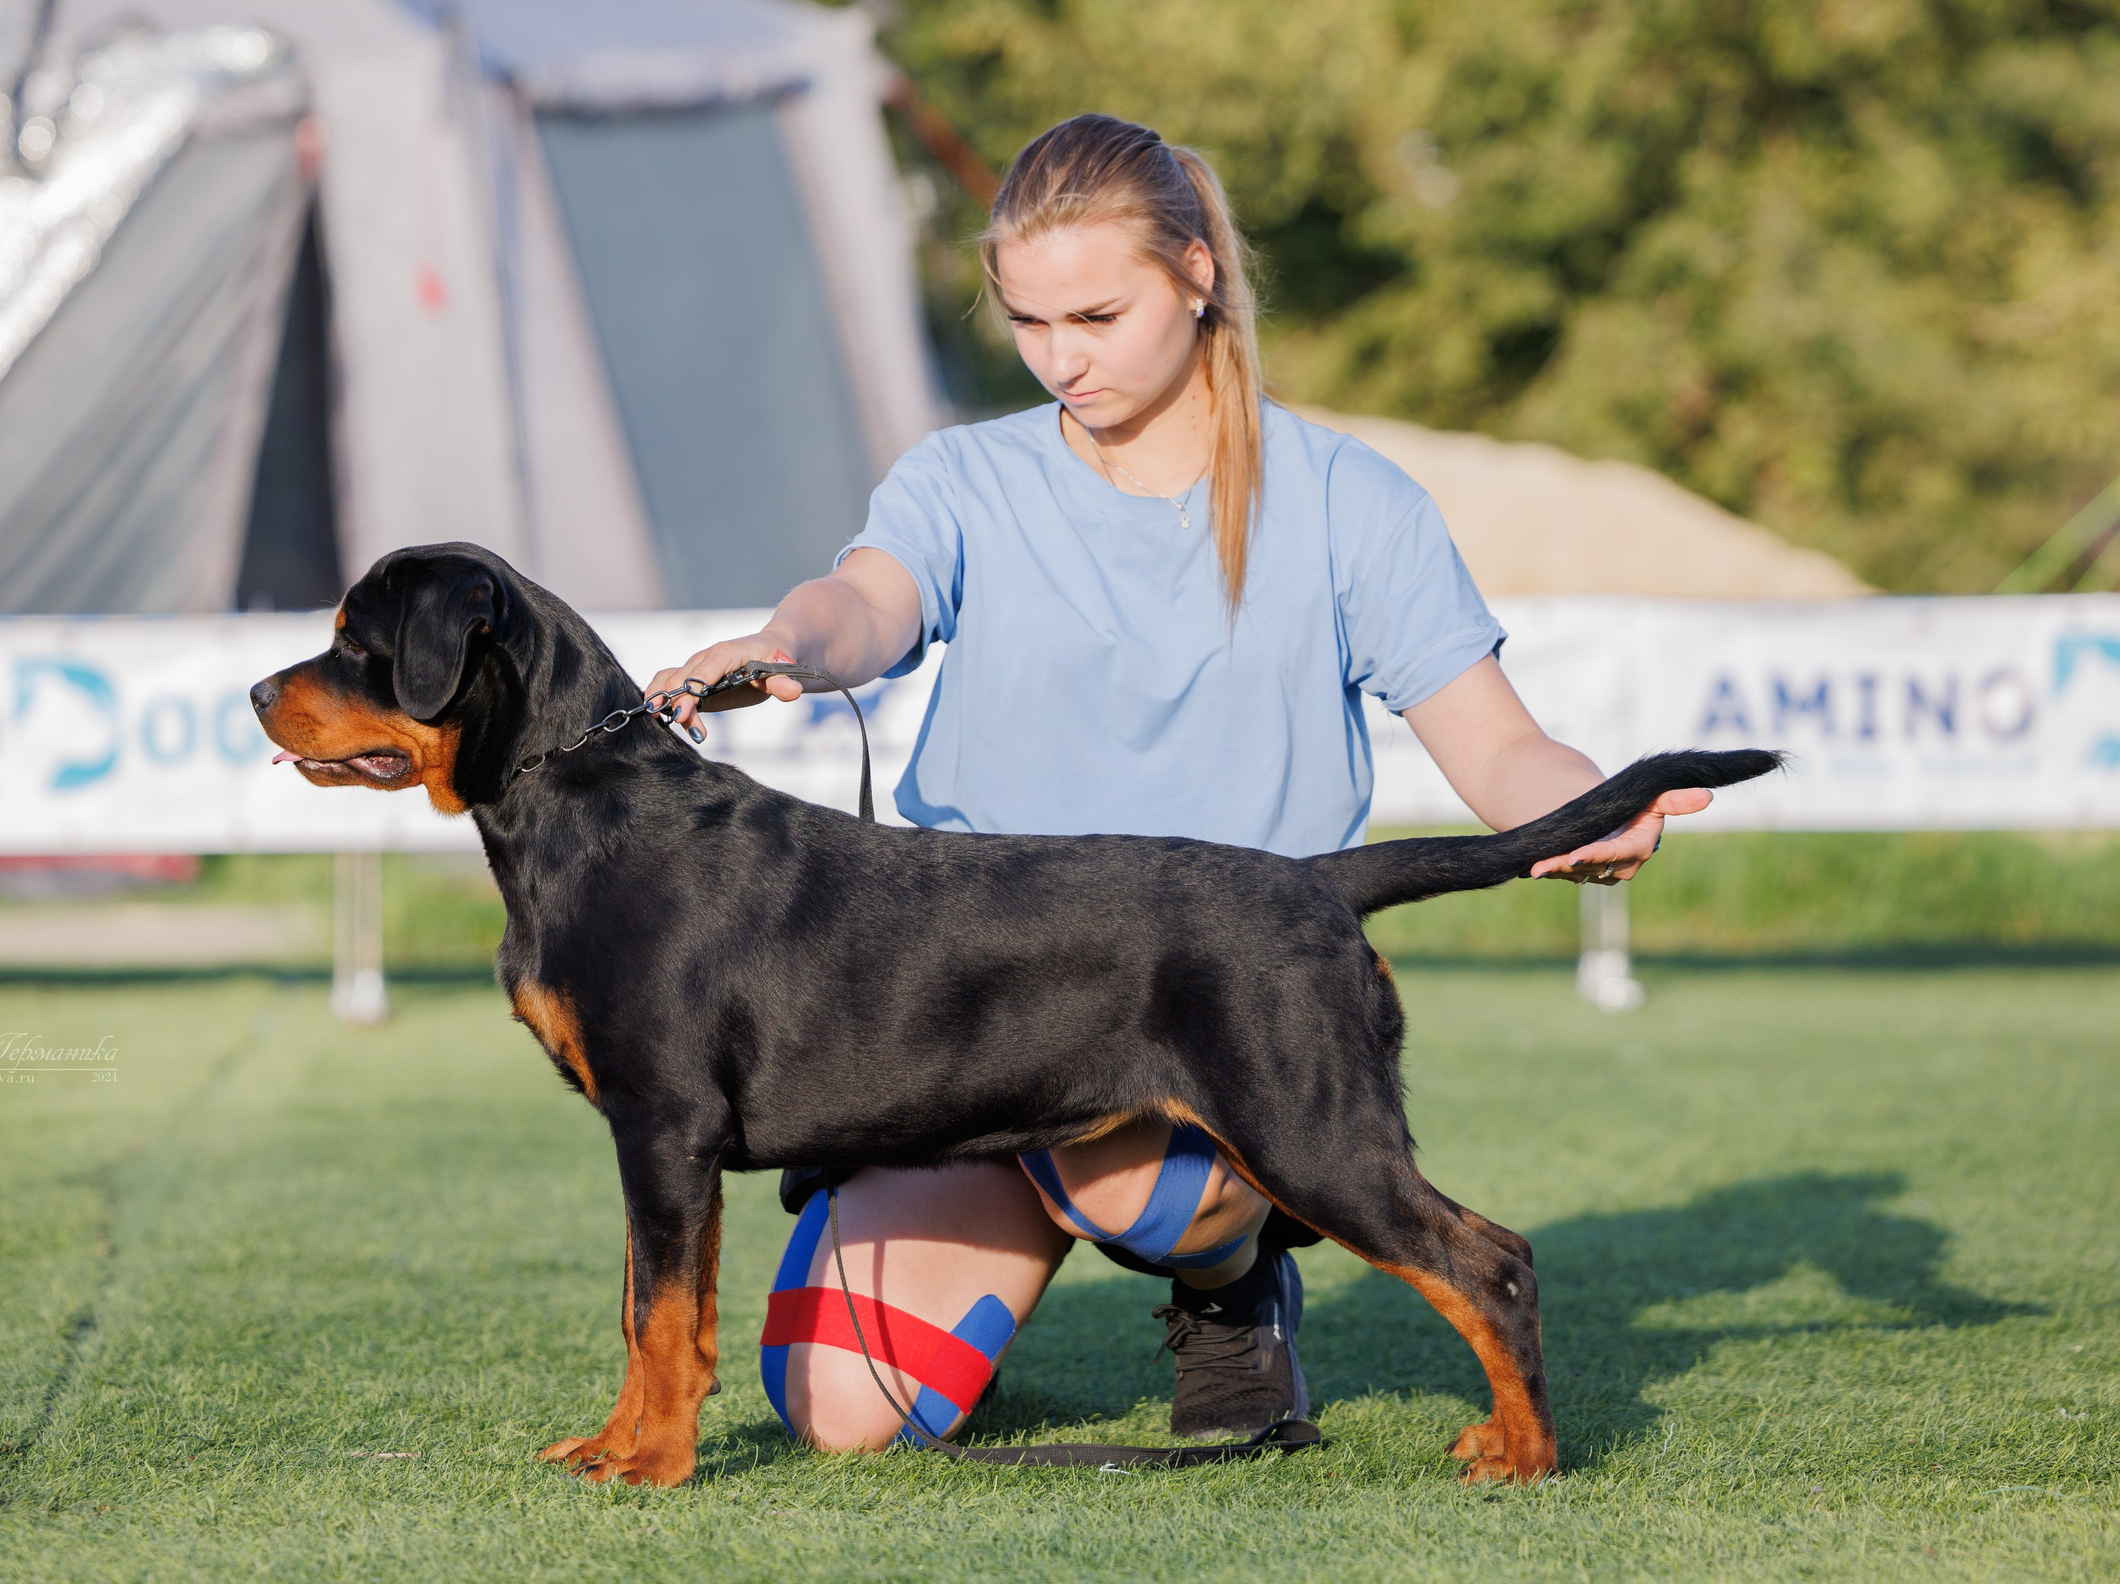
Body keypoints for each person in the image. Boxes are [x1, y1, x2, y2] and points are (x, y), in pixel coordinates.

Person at [646, 113, 1713, 1452]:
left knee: (1127, 1185)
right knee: (839, 1413)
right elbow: (868, 602)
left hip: (1204, 1001)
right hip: (953, 1009)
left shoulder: (1349, 501)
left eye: (1096, 313)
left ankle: (1229, 1283)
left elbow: (1497, 745)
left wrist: (1579, 807)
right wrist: (788, 642)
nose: (1060, 359)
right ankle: (1038, 1226)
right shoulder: (966, 476)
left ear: (1197, 273)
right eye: (1028, 322)